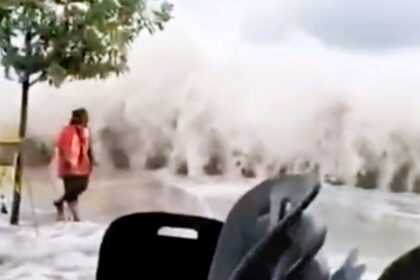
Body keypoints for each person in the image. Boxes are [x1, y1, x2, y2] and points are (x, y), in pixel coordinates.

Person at [53, 108, 94, 221]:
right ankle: (76, 218)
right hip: (69, 165)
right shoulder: (67, 131)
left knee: (82, 186)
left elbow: (88, 147)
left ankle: (60, 202)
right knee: (73, 192)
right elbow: (62, 146)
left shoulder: (85, 131)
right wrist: (68, 160)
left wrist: (92, 160)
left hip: (82, 165)